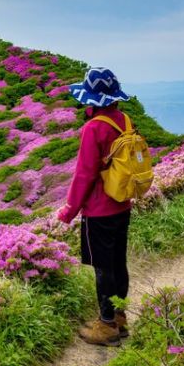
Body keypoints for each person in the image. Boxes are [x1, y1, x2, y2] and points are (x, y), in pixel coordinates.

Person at [56, 67, 133, 347]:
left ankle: (107, 325)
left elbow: (85, 174)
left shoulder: (93, 128)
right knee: (118, 263)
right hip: (123, 203)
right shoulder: (123, 120)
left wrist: (69, 210)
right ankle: (120, 316)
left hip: (100, 210)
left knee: (103, 268)